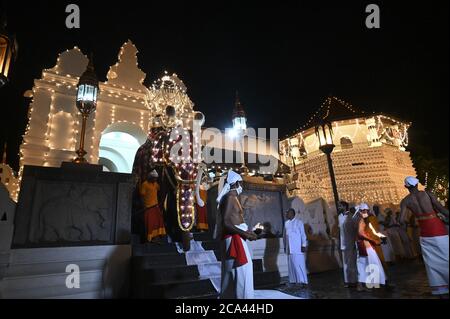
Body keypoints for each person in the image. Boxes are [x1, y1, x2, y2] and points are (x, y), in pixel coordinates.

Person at [400, 176, 449, 296]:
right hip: (438, 228)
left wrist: (405, 230)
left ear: (406, 186)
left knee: (432, 262)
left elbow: (402, 220)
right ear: (417, 184)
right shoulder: (427, 194)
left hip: (425, 232)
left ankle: (441, 288)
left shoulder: (406, 201)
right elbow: (442, 210)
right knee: (447, 256)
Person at [216, 170, 257, 299]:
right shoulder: (230, 197)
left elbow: (233, 220)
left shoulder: (232, 197)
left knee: (232, 272)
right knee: (243, 271)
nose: (242, 186)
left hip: (236, 236)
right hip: (235, 238)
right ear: (236, 183)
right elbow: (227, 222)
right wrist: (245, 234)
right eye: (241, 183)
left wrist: (247, 233)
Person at [356, 203, 386, 291]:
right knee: (371, 264)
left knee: (365, 265)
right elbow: (360, 233)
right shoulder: (361, 220)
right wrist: (373, 240)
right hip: (365, 246)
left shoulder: (363, 220)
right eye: (364, 211)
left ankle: (368, 284)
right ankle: (370, 284)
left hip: (366, 245)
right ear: (360, 211)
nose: (366, 213)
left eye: (367, 211)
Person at [140, 170, 166, 244]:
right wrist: (144, 206)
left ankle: (156, 238)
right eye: (153, 178)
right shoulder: (145, 184)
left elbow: (160, 189)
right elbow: (142, 196)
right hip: (148, 207)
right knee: (150, 223)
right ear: (150, 177)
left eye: (156, 178)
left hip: (155, 206)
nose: (155, 179)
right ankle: (150, 238)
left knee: (158, 222)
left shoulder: (155, 184)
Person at [284, 208, 308, 287]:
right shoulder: (286, 223)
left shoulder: (299, 222)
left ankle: (303, 282)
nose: (286, 214)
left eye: (288, 213)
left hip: (297, 247)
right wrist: (285, 247)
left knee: (299, 264)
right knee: (291, 266)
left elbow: (302, 234)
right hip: (289, 248)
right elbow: (285, 237)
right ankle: (293, 281)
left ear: (292, 214)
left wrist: (303, 245)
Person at [338, 201, 358, 288]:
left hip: (350, 242)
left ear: (345, 206)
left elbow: (355, 230)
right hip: (343, 243)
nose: (339, 207)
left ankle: (354, 281)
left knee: (351, 263)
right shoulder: (339, 217)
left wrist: (354, 242)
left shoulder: (351, 216)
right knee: (345, 263)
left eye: (340, 206)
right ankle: (347, 281)